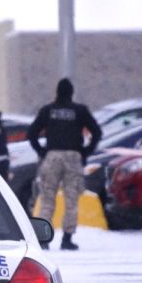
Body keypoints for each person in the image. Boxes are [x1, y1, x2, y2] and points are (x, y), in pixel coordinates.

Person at [27, 78, 102, 251]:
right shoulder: (80, 111)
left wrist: (42, 151)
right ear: (71, 93)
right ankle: (67, 239)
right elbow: (97, 132)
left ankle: (42, 239)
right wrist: (86, 151)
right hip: (73, 157)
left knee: (47, 198)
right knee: (71, 200)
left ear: (57, 92)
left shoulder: (48, 110)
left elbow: (32, 133)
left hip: (52, 156)